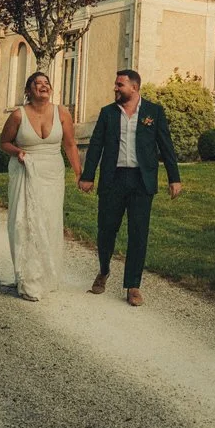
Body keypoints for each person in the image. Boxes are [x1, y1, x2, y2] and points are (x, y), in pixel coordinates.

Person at [78, 69, 182, 307]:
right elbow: (96, 146)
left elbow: (166, 146)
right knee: (106, 230)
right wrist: (88, 175)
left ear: (134, 88)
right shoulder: (107, 113)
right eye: (116, 84)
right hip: (113, 179)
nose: (115, 88)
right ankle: (104, 270)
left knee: (138, 233)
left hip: (141, 181)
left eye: (119, 85)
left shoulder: (153, 112)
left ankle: (133, 286)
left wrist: (174, 178)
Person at [0, 70, 81, 301]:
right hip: (25, 171)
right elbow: (4, 142)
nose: (43, 86)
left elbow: (70, 144)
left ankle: (46, 276)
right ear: (28, 90)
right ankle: (28, 280)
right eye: (37, 83)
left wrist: (78, 173)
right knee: (25, 222)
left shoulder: (62, 112)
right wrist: (18, 152)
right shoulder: (18, 115)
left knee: (49, 221)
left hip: (52, 174)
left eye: (46, 83)